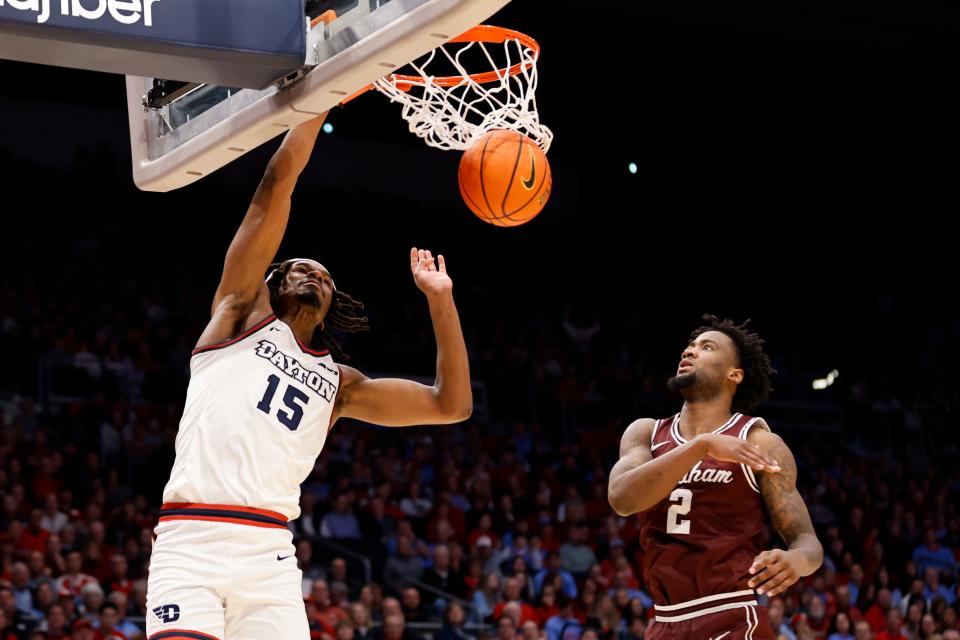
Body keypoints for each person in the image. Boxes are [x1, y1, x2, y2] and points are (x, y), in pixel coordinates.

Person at [146, 114, 472, 639]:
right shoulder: (238, 314)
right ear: (271, 281)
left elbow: (450, 405)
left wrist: (441, 300)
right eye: (298, 266)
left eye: (322, 274)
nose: (311, 273)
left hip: (269, 555)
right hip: (192, 539)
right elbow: (277, 182)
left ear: (330, 305)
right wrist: (319, 100)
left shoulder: (340, 383)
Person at [608, 315, 823, 639]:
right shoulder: (645, 433)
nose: (689, 351)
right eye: (689, 346)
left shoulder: (758, 441)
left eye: (706, 347)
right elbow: (622, 499)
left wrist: (795, 560)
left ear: (734, 374)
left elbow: (807, 542)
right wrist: (701, 445)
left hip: (731, 616)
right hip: (664, 620)